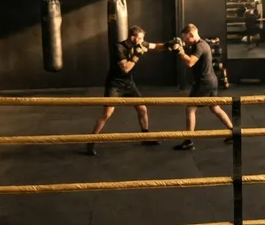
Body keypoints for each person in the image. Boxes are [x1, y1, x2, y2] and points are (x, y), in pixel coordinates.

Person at [86, 26, 171, 156]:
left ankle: (145, 137)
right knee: (107, 114)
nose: (143, 41)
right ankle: (91, 142)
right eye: (141, 38)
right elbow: (125, 68)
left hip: (128, 83)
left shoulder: (140, 43)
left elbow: (156, 46)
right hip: (115, 84)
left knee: (142, 109)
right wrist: (136, 55)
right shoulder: (118, 48)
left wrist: (169, 45)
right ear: (133, 37)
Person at [172, 24, 234, 150]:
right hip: (211, 81)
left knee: (190, 109)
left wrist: (180, 52)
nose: (185, 41)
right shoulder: (202, 44)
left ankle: (188, 141)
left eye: (185, 38)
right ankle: (234, 132)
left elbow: (190, 62)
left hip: (204, 83)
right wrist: (180, 46)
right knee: (215, 108)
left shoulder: (200, 46)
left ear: (191, 34)